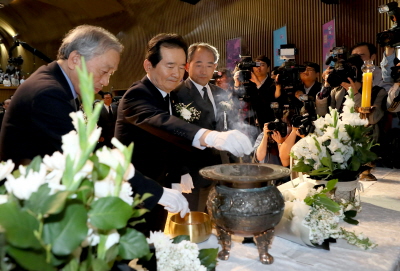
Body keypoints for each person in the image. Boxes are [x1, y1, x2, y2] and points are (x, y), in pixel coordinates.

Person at [0, 25, 186, 218]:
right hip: (28, 208)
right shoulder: (48, 93)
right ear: (75, 60)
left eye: (110, 74)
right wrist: (156, 192)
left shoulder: (57, 83)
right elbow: (84, 155)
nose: (106, 82)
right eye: (104, 71)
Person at [115, 33, 252, 232]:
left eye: (181, 67)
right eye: (170, 66)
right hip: (136, 188)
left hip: (159, 185)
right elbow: (162, 122)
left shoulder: (166, 94)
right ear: (148, 66)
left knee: (154, 244)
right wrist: (211, 137)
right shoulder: (138, 94)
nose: (177, 74)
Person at [174, 42, 229, 211]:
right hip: (193, 170)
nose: (204, 70)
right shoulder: (177, 93)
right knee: (194, 217)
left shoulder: (220, 93)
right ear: (188, 65)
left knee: (221, 213)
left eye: (209, 65)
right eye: (199, 64)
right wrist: (181, 171)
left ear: (215, 67)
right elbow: (173, 135)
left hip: (221, 167)